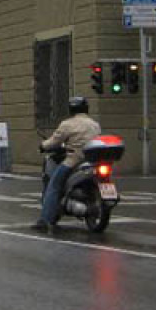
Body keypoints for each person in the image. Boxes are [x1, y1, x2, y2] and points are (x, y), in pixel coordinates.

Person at [35, 96, 101, 230]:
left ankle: (45, 220)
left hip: (74, 160)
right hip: (93, 161)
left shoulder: (67, 124)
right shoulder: (95, 124)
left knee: (54, 186)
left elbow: (54, 141)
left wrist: (43, 145)